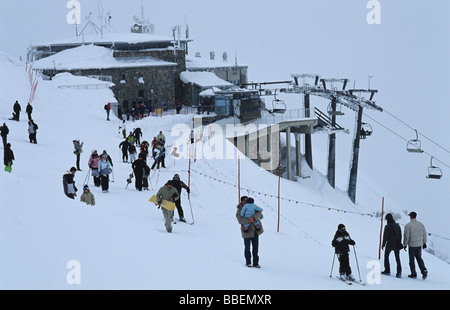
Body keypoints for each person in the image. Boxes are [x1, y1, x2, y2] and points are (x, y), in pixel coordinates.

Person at [236, 196, 264, 268]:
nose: (247, 202)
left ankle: (256, 263)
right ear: (242, 202)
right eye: (245, 201)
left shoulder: (252, 207)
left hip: (255, 231)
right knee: (247, 247)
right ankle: (248, 262)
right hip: (246, 231)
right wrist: (250, 220)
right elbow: (240, 220)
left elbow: (260, 213)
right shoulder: (239, 210)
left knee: (255, 248)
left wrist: (254, 217)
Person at [403, 211, 428, 279]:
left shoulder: (408, 225)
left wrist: (405, 244)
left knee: (411, 260)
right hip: (419, 245)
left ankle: (413, 273)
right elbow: (424, 234)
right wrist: (424, 243)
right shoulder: (421, 224)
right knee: (419, 258)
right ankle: (424, 270)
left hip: (412, 245)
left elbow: (406, 236)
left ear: (410, 217)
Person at [381, 213, 403, 278]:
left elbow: (385, 237)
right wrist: (399, 242)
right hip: (397, 244)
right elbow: (400, 235)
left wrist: (383, 244)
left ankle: (387, 270)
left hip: (390, 244)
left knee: (386, 256)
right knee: (397, 258)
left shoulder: (387, 226)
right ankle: (399, 272)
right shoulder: (397, 226)